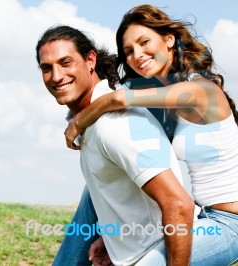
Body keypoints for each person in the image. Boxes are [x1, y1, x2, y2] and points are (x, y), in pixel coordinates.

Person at [64, 4, 238, 265]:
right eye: (129, 51)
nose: (137, 55)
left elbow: (120, 98)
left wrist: (77, 124)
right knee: (93, 191)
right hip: (203, 216)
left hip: (230, 225)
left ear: (169, 39)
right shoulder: (170, 104)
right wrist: (110, 236)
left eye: (144, 42)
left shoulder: (201, 91)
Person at [36, 25, 195, 266]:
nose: (56, 76)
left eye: (65, 62)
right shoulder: (92, 121)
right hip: (131, 252)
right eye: (47, 68)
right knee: (93, 192)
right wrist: (109, 239)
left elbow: (179, 204)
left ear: (90, 60)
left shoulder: (115, 124)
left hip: (159, 252)